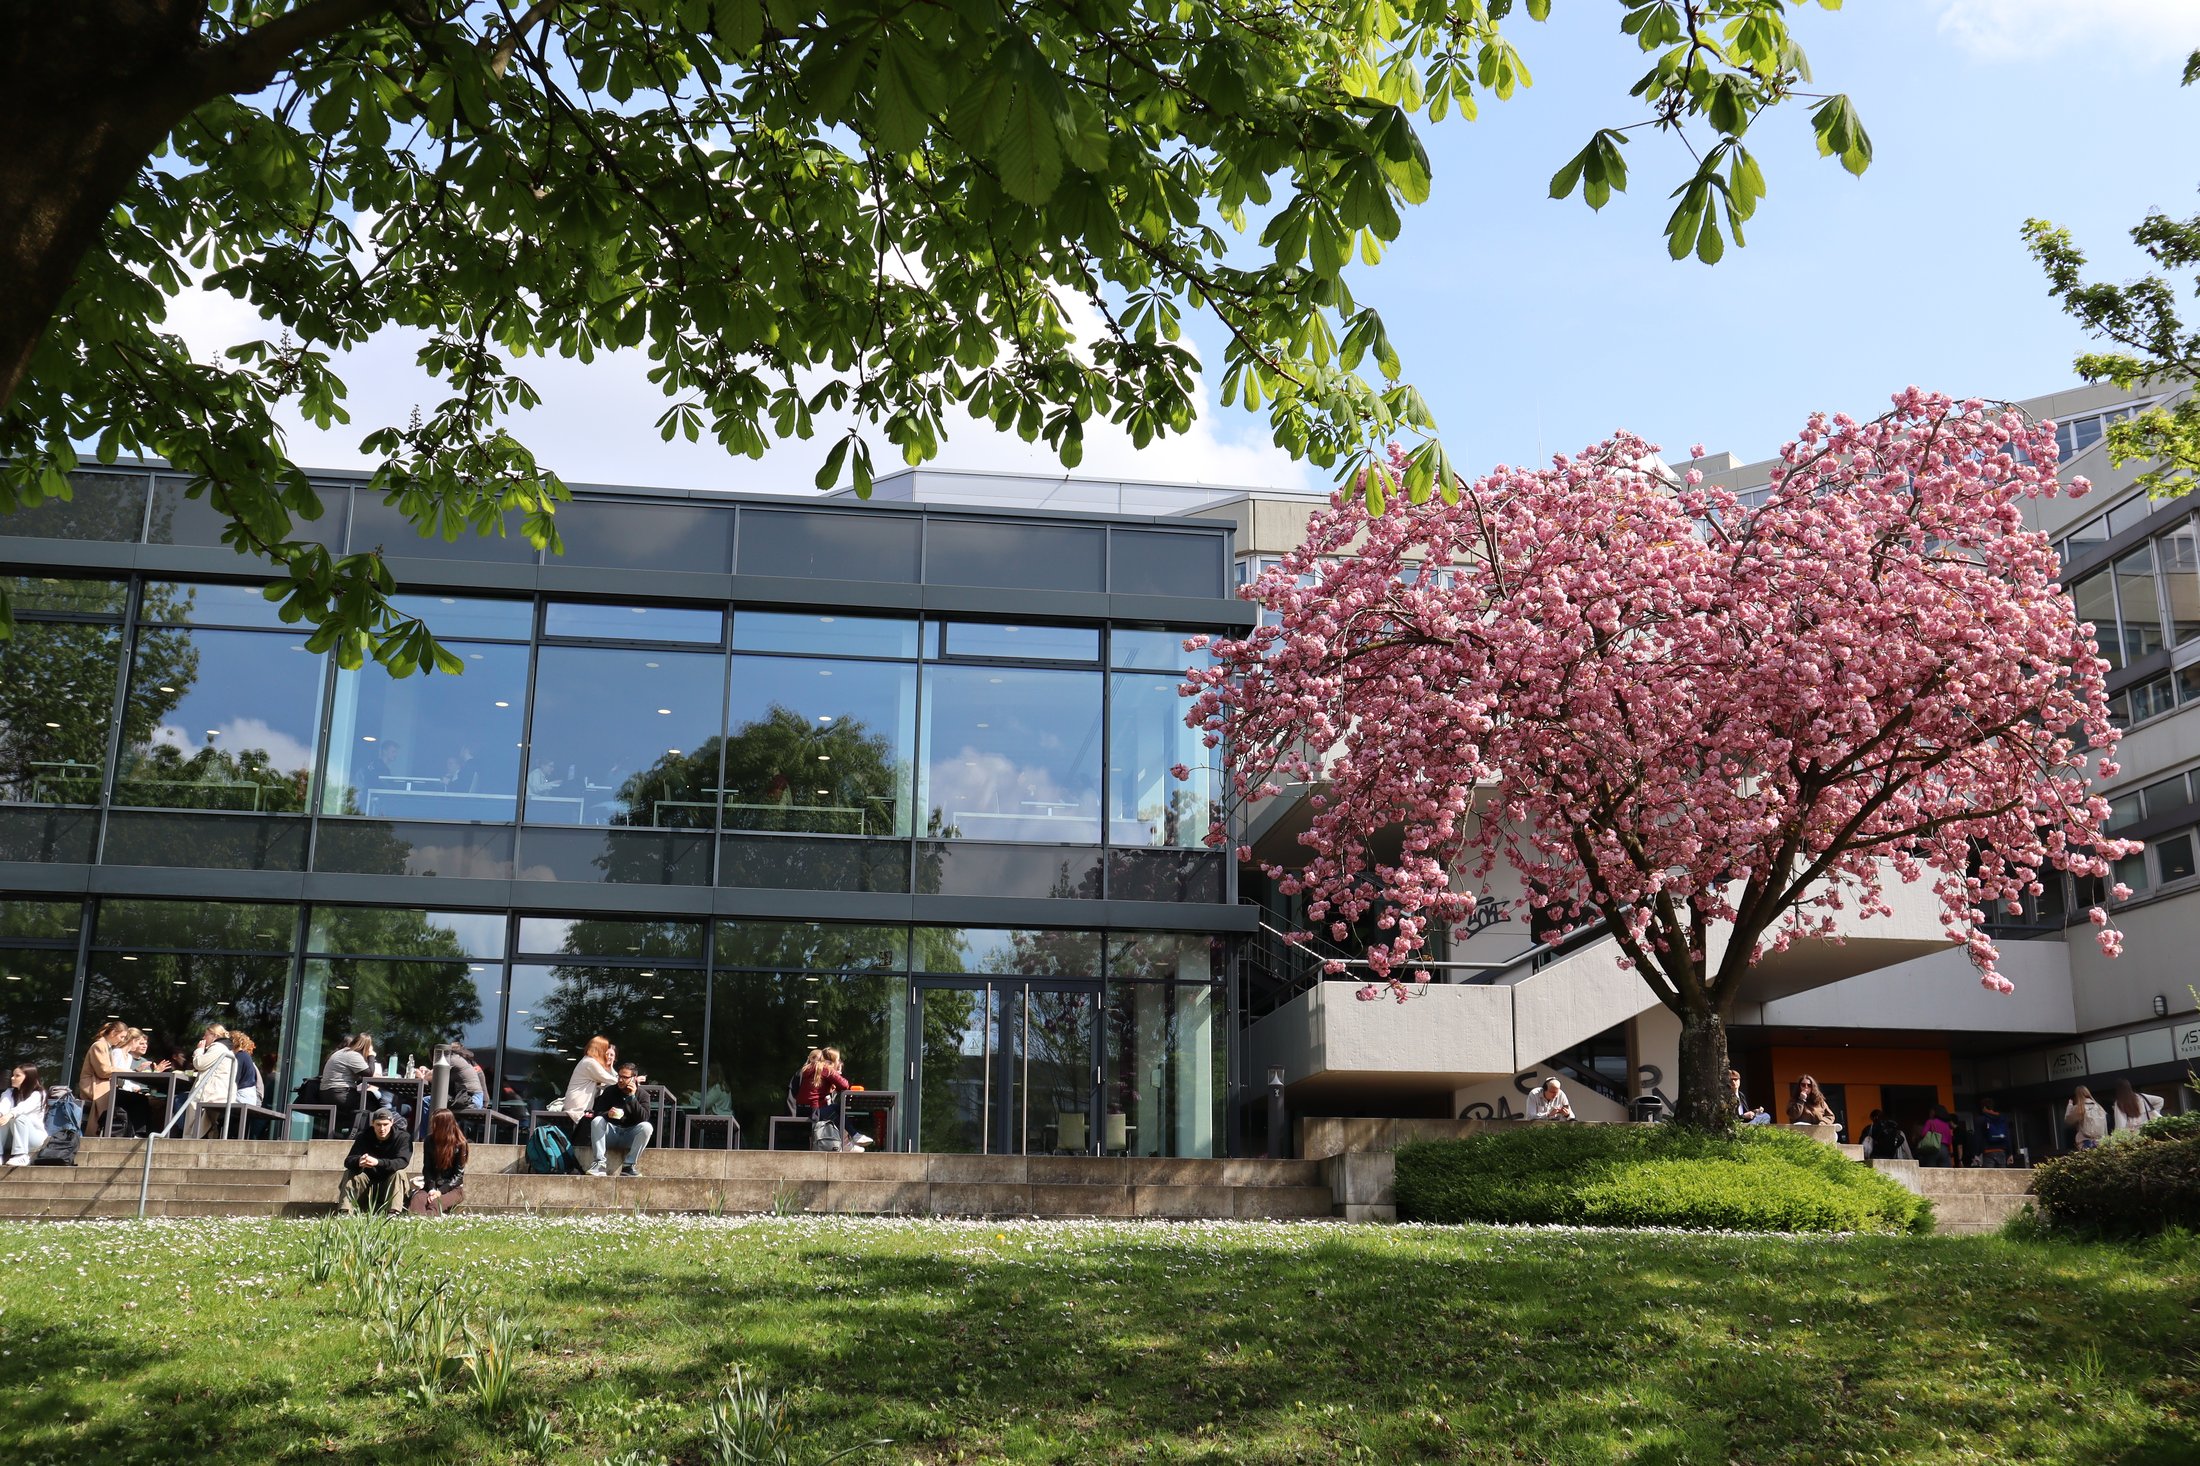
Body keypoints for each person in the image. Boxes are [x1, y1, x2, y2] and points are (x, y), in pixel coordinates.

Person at [337, 1108, 413, 1214]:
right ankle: (345, 1212)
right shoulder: (363, 1136)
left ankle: (393, 1213)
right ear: (373, 1123)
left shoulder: (403, 1137)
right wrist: (359, 1161)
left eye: (385, 1124)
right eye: (378, 1124)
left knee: (399, 1173)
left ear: (392, 1123)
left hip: (390, 1184)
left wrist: (377, 1162)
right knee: (350, 1172)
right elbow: (348, 1161)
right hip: (367, 1185)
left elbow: (402, 1162)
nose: (382, 1128)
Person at [587, 1062, 655, 1177]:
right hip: (611, 1133)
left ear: (634, 1078)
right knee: (597, 1121)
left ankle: (628, 1166)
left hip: (629, 1136)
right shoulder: (610, 1091)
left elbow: (644, 1118)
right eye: (619, 1076)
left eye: (625, 1077)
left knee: (647, 1127)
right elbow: (597, 1113)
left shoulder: (643, 1095)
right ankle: (599, 1164)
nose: (621, 1080)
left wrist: (632, 1098)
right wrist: (608, 1113)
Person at [408, 1109, 469, 1215]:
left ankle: (427, 1225)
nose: (433, 1126)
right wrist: (432, 1189)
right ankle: (416, 1223)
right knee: (417, 1200)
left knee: (435, 1204)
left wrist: (440, 1192)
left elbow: (458, 1176)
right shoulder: (429, 1141)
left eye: (436, 1123)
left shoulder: (460, 1144)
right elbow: (427, 1168)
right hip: (431, 1185)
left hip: (452, 1188)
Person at [562, 1035, 618, 1143]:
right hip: (578, 1104)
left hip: (576, 1102)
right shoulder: (590, 1063)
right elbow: (610, 1079)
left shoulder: (587, 1061)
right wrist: (628, 1080)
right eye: (605, 1049)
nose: (606, 1053)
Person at [320, 1033, 379, 1136]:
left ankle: (355, 1133)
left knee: (368, 1098)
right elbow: (369, 1073)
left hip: (328, 1093)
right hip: (339, 1094)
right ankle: (358, 1136)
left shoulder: (342, 1052)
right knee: (370, 1101)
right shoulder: (353, 1055)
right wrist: (371, 1056)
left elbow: (359, 1077)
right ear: (366, 1047)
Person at [77, 1019, 126, 1137]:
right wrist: (126, 1071)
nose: (122, 1040)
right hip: (93, 1085)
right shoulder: (99, 1045)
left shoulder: (106, 1047)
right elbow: (103, 1071)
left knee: (133, 1099)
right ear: (114, 1032)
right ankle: (103, 1132)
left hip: (103, 1084)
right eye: (122, 1036)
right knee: (127, 1099)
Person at [796, 1048, 852, 1150]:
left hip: (801, 1109)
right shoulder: (826, 1069)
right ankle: (847, 1142)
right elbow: (845, 1085)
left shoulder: (808, 1068)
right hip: (814, 1110)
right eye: (838, 1060)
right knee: (836, 1110)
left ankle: (849, 1140)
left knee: (835, 1109)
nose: (839, 1063)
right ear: (833, 1061)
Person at [0, 1065, 46, 1166]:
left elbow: (23, 1108)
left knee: (17, 1116)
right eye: (13, 1075)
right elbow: (3, 1106)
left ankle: (21, 1155)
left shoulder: (39, 1094)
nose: (12, 1078)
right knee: (2, 1118)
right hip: (12, 1138)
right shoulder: (9, 1092)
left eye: (17, 1076)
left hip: (33, 1139)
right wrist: (2, 1114)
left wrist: (9, 1115)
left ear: (28, 1078)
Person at [2064, 1085, 2107, 1150]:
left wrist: (2070, 1105)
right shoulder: (2099, 1107)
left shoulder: (2079, 1108)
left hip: (2086, 1143)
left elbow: (2068, 1120)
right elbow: (2105, 1126)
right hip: (2100, 1142)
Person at [1976, 1097, 2014, 1168]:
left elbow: (1978, 1137)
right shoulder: (2002, 1118)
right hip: (2001, 1151)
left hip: (1988, 1152)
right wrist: (2010, 1153)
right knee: (2002, 1176)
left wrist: (1976, 1154)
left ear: (1984, 1107)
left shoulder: (1981, 1119)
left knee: (1989, 1176)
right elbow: (2007, 1136)